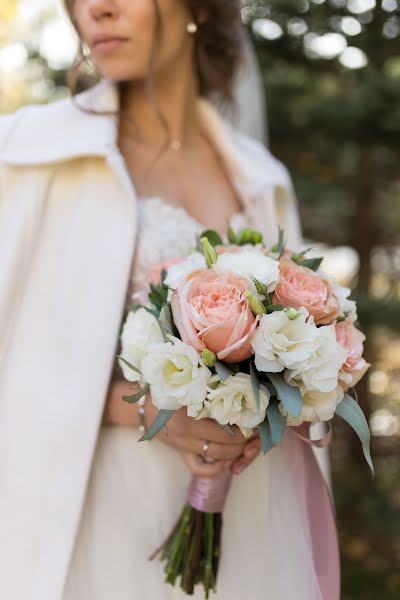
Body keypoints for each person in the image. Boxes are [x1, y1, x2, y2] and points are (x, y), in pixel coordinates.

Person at [0, 1, 340, 599]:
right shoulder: (26, 155)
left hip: (254, 512)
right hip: (97, 511)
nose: (94, 11)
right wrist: (144, 409)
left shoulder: (262, 177)